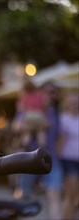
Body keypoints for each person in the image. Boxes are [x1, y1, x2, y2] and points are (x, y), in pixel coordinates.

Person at [13, 81, 63, 219]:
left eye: (53, 92)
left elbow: (59, 136)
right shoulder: (28, 109)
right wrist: (33, 126)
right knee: (23, 194)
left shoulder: (54, 112)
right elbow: (16, 126)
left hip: (50, 158)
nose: (50, 95)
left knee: (54, 194)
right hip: (28, 159)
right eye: (47, 92)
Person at [57, 91, 79, 219]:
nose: (75, 105)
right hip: (68, 161)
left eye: (76, 102)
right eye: (72, 102)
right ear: (67, 104)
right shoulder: (63, 119)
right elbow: (60, 142)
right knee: (71, 196)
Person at [16, 79, 50, 148]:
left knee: (27, 132)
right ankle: (42, 147)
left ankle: (24, 146)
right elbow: (45, 105)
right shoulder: (40, 95)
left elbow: (21, 108)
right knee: (40, 131)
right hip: (39, 115)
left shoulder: (24, 96)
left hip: (29, 115)